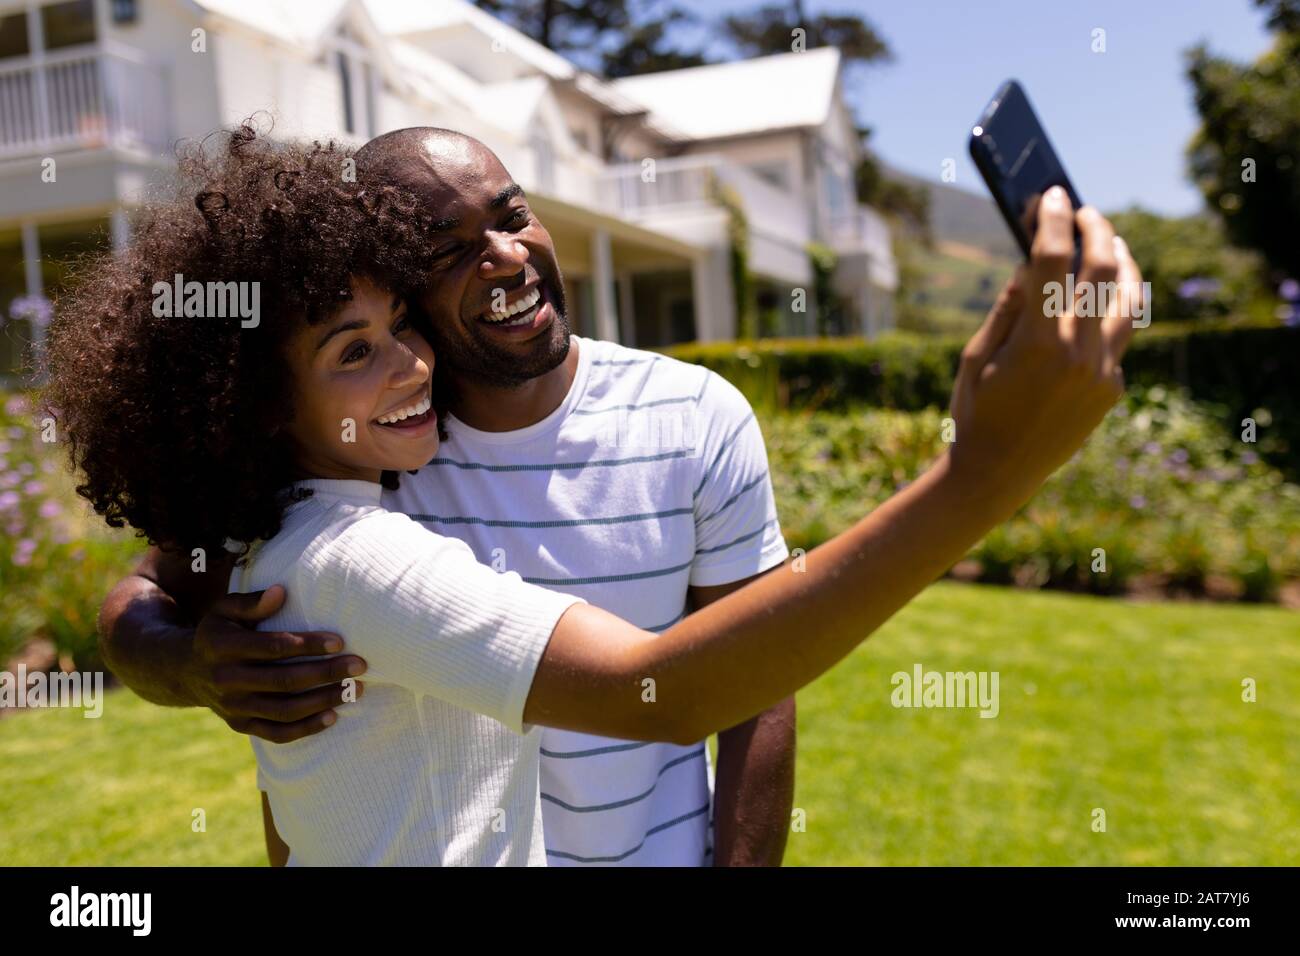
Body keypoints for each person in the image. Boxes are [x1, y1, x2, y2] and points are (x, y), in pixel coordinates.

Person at [78, 125, 1142, 866]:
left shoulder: (688, 413)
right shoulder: (365, 462)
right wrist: (189, 660)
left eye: (510, 214)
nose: (504, 257)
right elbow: (146, 595)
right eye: (446, 254)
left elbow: (752, 688)